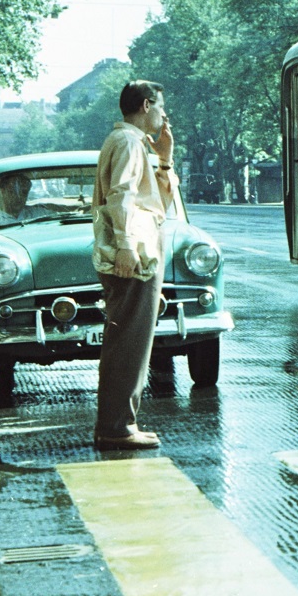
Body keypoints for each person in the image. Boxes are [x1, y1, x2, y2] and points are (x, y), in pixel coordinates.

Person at [90, 80, 175, 451]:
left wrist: (166, 158)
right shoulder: (127, 142)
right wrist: (125, 245)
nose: (164, 115)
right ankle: (116, 427)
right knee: (129, 341)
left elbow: (160, 201)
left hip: (138, 250)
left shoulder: (133, 143)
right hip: (135, 254)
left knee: (130, 339)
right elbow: (120, 194)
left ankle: (120, 423)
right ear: (145, 105)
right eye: (160, 107)